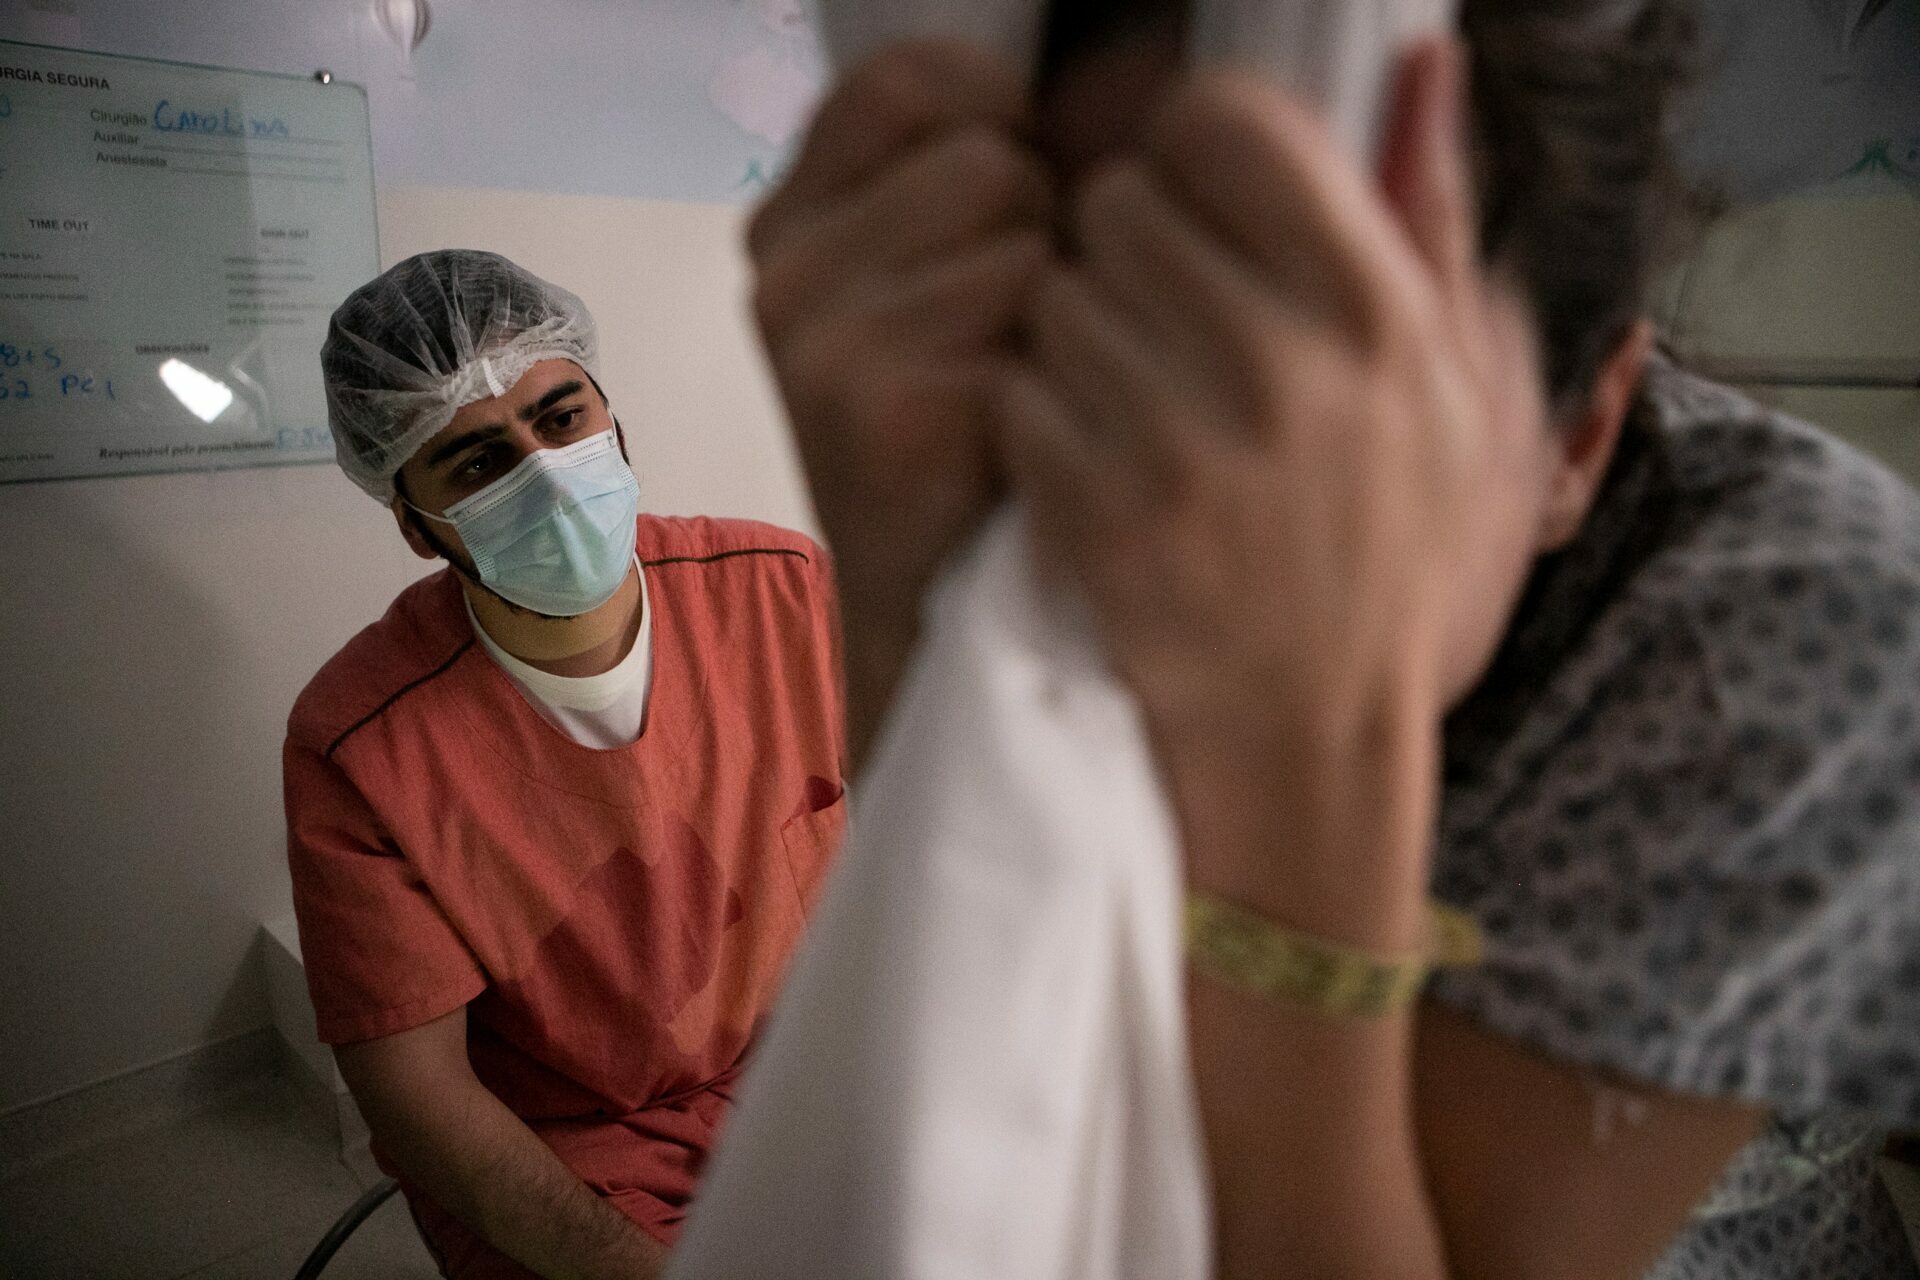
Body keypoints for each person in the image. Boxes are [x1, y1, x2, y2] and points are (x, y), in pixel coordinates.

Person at [746, 1, 1920, 1276]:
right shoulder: (1007, 499)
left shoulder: (1787, 643)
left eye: (1295, 368)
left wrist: (1300, 745)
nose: (1166, 503)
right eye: (1073, 337)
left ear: (1580, 436)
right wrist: (909, 608)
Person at [283, 250, 846, 1279]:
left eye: (560, 417)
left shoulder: (784, 593)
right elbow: (420, 1097)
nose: (544, 474)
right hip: (568, 1153)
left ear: (612, 421)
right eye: (477, 463)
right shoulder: (361, 746)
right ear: (417, 527)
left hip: (809, 1080)